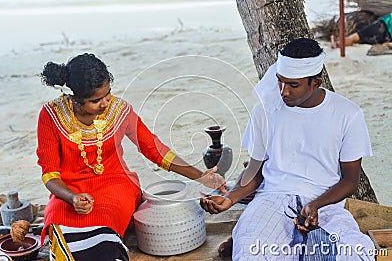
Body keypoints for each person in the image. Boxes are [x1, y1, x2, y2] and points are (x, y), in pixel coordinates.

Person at [36, 53, 226, 261]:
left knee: (106, 234)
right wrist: (72, 198)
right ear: (73, 98)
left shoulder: (120, 110)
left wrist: (200, 176)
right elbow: (50, 174)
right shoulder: (50, 116)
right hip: (67, 190)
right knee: (58, 223)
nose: (106, 103)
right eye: (95, 100)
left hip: (115, 184)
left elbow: (155, 149)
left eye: (108, 94)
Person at [200, 38, 376, 260]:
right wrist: (230, 198)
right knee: (250, 251)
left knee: (354, 254)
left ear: (316, 82)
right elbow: (255, 170)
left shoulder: (348, 114)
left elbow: (350, 181)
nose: (284, 92)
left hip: (325, 204)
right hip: (273, 199)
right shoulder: (266, 111)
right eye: (280, 82)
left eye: (293, 85)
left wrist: (316, 204)